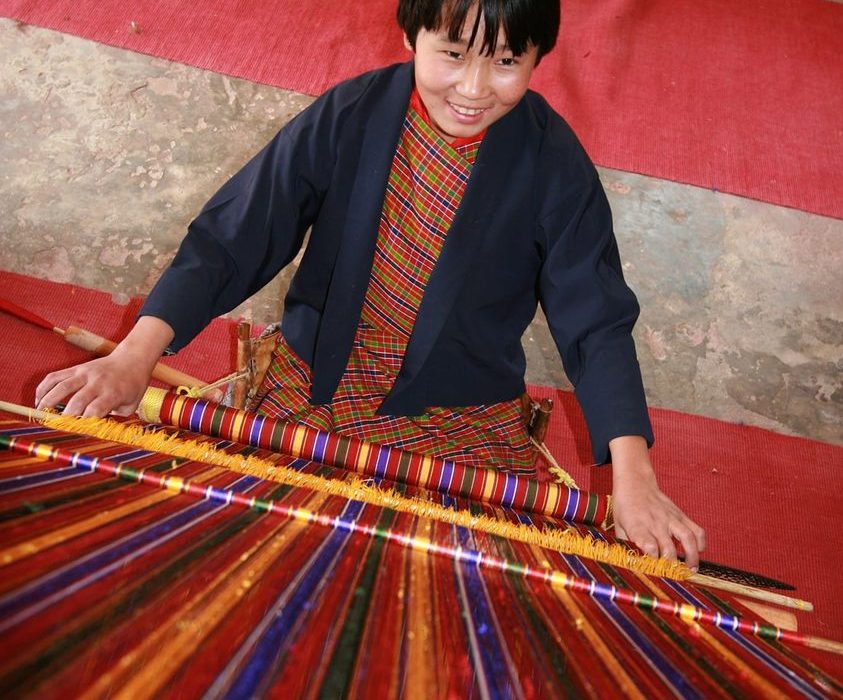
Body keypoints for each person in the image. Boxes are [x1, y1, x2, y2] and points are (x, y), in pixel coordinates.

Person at [35, 0, 705, 567]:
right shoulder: (349, 115)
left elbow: (592, 318)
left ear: (537, 60)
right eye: (452, 53)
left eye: (504, 62)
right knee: (254, 553)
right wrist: (133, 358)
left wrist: (634, 477)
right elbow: (235, 238)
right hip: (317, 386)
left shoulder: (554, 164)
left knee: (460, 579)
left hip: (458, 413)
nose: (473, 89)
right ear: (411, 33)